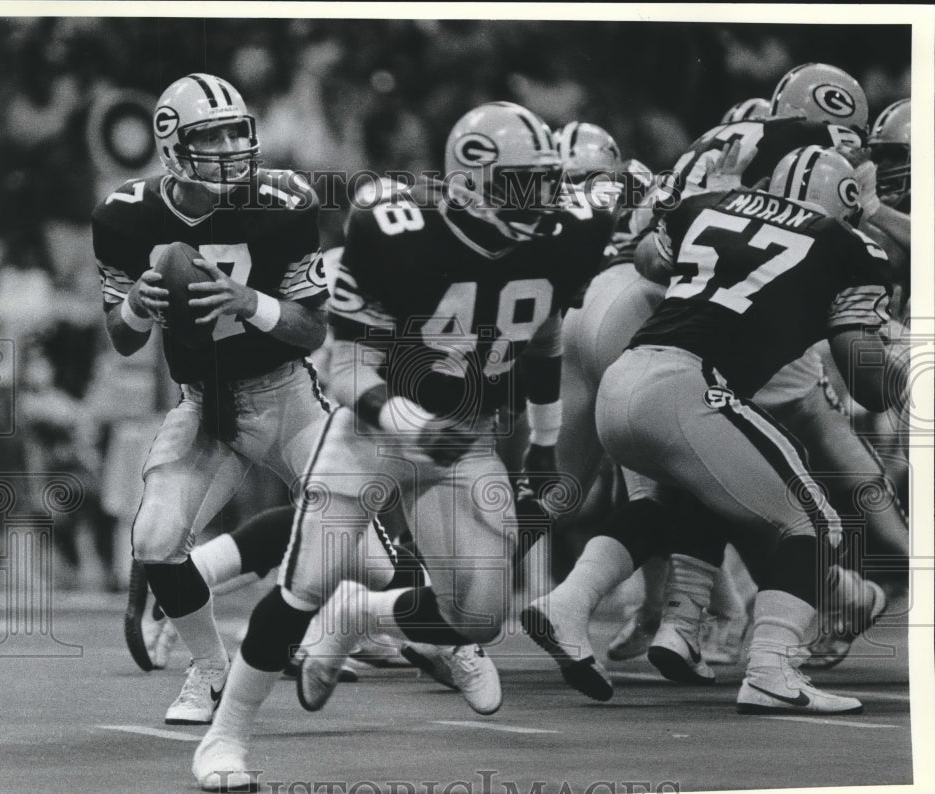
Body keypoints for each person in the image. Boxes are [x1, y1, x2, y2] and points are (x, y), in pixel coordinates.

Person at [191, 101, 613, 791]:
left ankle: (362, 615)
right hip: (373, 435)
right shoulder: (398, 230)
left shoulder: (561, 237)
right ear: (473, 181)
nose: (539, 199)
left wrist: (542, 442)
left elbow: (541, 334)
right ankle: (224, 737)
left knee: (480, 613)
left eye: (544, 181)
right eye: (521, 183)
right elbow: (345, 367)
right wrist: (410, 424)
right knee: (306, 582)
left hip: (465, 442)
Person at [527, 143, 905, 715]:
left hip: (624, 377)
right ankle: (772, 670)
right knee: (813, 519)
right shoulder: (850, 247)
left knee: (681, 505)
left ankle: (567, 603)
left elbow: (650, 263)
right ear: (846, 207)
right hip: (691, 387)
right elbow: (867, 385)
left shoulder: (710, 205)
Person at [92, 73, 333, 726]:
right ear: (171, 147)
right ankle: (211, 672)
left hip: (287, 396)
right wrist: (139, 306)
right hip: (205, 402)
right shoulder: (126, 215)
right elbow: (120, 337)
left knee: (355, 521)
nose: (230, 146)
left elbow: (312, 328)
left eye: (236, 132)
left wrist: (249, 303)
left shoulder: (284, 201)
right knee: (154, 536)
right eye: (211, 136)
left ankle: (397, 633)